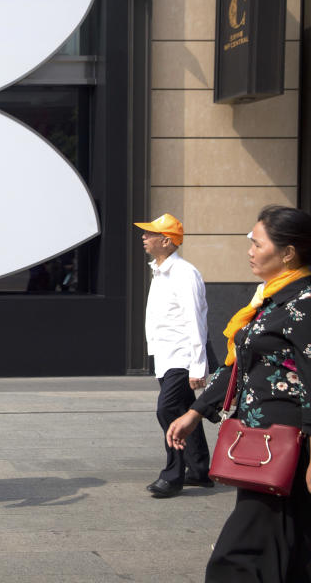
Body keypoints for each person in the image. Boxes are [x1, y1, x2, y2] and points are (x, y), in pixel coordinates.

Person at [168, 205, 311, 582]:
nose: (249, 250)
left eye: (256, 242)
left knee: (238, 553)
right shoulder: (268, 300)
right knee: (288, 542)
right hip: (263, 440)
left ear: (288, 253)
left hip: (289, 442)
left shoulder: (304, 304)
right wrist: (196, 411)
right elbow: (237, 364)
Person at [133, 213, 211, 498]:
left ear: (166, 241)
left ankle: (173, 475)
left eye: (150, 233)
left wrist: (198, 366)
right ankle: (200, 469)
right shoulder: (160, 270)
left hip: (182, 356)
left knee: (166, 410)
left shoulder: (184, 273)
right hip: (166, 356)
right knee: (183, 410)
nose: (144, 237)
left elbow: (195, 320)